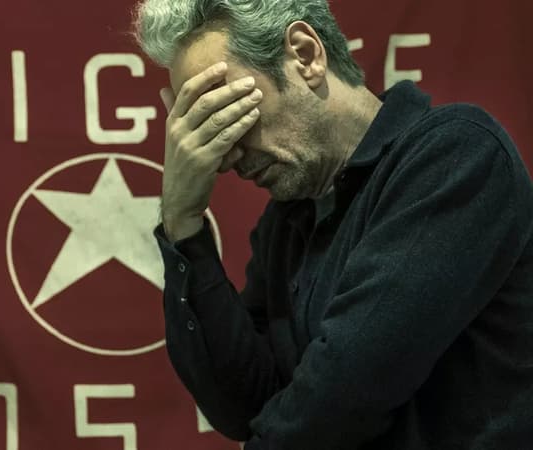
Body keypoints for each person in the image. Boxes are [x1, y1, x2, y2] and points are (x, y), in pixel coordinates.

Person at [132, 0, 533, 449]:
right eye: (203, 129)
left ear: (306, 56)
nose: (225, 156)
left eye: (227, 114)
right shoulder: (288, 219)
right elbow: (242, 407)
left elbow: (343, 397)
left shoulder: (456, 156)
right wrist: (183, 223)